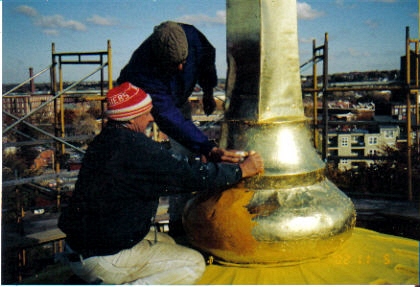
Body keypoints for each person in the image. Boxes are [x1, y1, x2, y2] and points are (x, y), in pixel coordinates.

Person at [58, 82, 264, 285]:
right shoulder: (135, 148)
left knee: (169, 243)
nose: (150, 118)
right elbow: (186, 177)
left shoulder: (109, 141)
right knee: (192, 263)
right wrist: (240, 171)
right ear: (130, 118)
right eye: (146, 113)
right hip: (104, 258)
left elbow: (163, 166)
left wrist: (201, 161)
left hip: (85, 249)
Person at [117, 21, 243, 234]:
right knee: (138, 160)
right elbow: (169, 117)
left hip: (176, 98)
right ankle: (133, 227)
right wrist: (207, 147)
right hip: (136, 108)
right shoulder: (143, 71)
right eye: (173, 64)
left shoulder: (191, 36)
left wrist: (208, 90)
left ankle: (179, 218)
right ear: (159, 59)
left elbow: (206, 57)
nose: (181, 68)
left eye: (183, 61)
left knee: (186, 156)